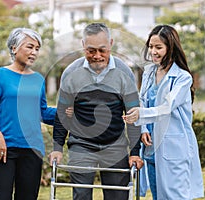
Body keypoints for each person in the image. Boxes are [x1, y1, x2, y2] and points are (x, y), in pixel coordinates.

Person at [48, 22, 144, 200]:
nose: (97, 56)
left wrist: (135, 152)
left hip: (115, 145)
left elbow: (133, 115)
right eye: (91, 51)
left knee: (118, 197)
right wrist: (57, 147)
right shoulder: (71, 73)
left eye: (103, 50)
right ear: (83, 45)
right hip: (81, 145)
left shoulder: (124, 72)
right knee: (81, 196)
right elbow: (62, 112)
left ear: (111, 44)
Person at [123, 25, 204, 200]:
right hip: (151, 147)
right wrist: (143, 127)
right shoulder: (149, 72)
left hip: (173, 148)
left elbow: (168, 107)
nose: (153, 51)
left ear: (171, 47)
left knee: (175, 196)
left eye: (158, 47)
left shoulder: (182, 77)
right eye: (151, 47)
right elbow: (142, 100)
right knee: (158, 196)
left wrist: (141, 114)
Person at [0, 27, 56, 200]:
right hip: (3, 149)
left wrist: (69, 112)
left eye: (37, 48)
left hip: (32, 149)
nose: (34, 52)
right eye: (29, 47)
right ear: (14, 48)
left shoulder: (38, 79)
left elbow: (42, 112)